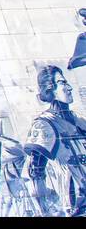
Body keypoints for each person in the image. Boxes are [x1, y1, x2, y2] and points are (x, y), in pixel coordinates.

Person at [25, 65, 86, 216]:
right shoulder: (44, 124)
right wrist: (44, 210)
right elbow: (36, 172)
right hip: (76, 206)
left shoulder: (80, 120)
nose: (70, 88)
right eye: (62, 83)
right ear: (49, 89)